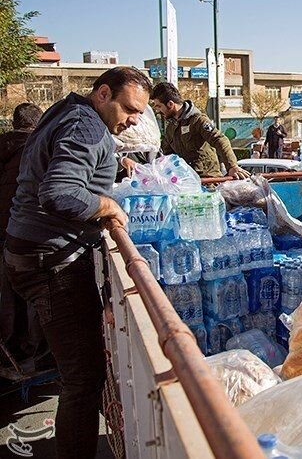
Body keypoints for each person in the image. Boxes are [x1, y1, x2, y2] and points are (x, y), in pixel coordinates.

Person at [3, 66, 149, 459]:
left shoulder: (69, 111)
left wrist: (113, 169)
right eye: (129, 109)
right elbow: (60, 192)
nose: (134, 120)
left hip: (30, 251)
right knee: (83, 379)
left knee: (79, 371)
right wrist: (107, 205)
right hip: (52, 262)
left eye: (139, 113)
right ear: (103, 94)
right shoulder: (87, 126)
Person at [0, 103, 45, 362]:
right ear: (37, 124)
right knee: (33, 292)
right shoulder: (36, 150)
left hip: (4, 231)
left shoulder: (4, 146)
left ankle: (12, 348)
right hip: (27, 230)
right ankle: (34, 350)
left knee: (7, 292)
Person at [150, 82, 250, 179]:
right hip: (186, 182)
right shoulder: (171, 127)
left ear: (170, 104)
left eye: (159, 106)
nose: (158, 110)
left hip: (208, 181)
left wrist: (232, 166)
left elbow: (219, 140)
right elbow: (167, 155)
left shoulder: (198, 120)